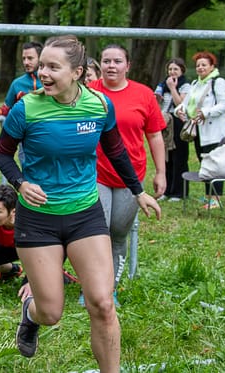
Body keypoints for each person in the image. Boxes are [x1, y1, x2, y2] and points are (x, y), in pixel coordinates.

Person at [0, 35, 161, 368]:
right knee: (51, 312)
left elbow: (115, 150)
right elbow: (3, 154)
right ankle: (30, 315)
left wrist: (137, 190)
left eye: (53, 67)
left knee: (102, 303)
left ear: (77, 72)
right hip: (39, 219)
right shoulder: (26, 108)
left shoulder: (98, 105)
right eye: (42, 65)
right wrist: (21, 183)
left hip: (85, 214)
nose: (43, 73)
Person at [89, 44, 166, 299]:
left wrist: (161, 172)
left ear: (128, 65)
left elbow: (155, 135)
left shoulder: (143, 95)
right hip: (96, 172)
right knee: (97, 232)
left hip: (130, 176)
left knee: (118, 232)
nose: (111, 66)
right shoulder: (89, 92)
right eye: (106, 61)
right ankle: (94, 288)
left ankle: (110, 288)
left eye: (117, 61)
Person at [174, 51, 225, 209]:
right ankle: (209, 197)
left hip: (215, 132)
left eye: (204, 65)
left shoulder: (218, 82)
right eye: (198, 65)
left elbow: (224, 104)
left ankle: (216, 199)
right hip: (198, 130)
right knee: (205, 163)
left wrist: (207, 113)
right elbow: (186, 103)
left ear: (212, 66)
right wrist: (179, 110)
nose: (200, 68)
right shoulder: (195, 84)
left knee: (215, 164)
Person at [154, 58, 191, 201]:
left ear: (182, 70)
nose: (172, 72)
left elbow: (181, 104)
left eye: (176, 69)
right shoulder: (162, 85)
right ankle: (166, 190)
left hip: (178, 122)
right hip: (165, 122)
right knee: (166, 157)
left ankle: (179, 192)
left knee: (179, 157)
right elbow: (156, 103)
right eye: (170, 69)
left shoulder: (185, 86)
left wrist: (173, 88)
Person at [0, 41, 43, 118]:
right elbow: (7, 108)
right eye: (24, 58)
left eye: (30, 58)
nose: (26, 62)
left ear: (41, 59)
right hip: (24, 128)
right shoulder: (17, 83)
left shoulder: (51, 82)